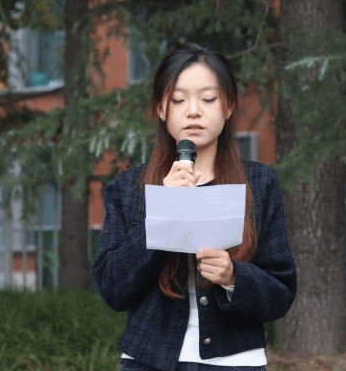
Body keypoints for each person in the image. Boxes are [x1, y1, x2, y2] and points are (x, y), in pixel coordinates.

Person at [92, 43, 296, 371]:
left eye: (208, 99)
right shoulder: (128, 189)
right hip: (148, 361)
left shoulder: (259, 184)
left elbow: (282, 293)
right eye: (178, 100)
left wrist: (233, 276)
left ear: (228, 106)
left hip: (235, 362)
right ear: (161, 108)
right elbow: (113, 290)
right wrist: (163, 211)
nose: (193, 111)